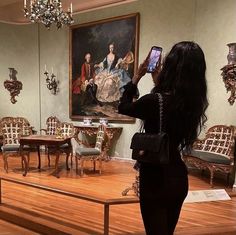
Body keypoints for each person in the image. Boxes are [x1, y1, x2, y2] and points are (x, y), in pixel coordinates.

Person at [118, 41, 208, 235]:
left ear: (171, 66)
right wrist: (158, 84)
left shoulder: (154, 100)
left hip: (154, 178)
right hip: (178, 177)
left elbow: (123, 106)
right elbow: (169, 108)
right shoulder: (194, 104)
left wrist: (137, 77)